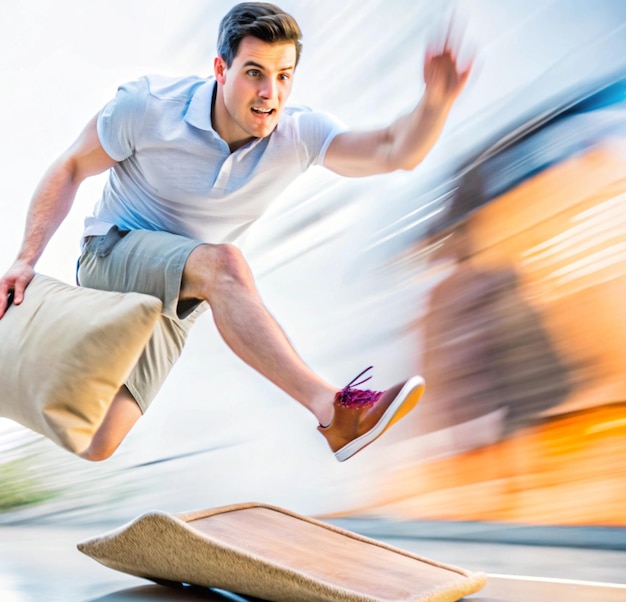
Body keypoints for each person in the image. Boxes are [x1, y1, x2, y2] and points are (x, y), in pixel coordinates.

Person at [0, 2, 471, 462]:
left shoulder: (299, 134)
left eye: (283, 76)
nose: (270, 92)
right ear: (221, 69)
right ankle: (336, 412)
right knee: (225, 264)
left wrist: (436, 102)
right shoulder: (148, 107)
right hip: (112, 254)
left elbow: (394, 150)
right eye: (254, 72)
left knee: (98, 441)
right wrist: (26, 258)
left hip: (179, 297)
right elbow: (69, 167)